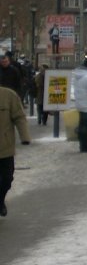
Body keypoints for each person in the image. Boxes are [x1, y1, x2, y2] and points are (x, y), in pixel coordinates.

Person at [0, 84, 31, 217]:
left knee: (7, 178)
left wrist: (25, 137)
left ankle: (0, 200)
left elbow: (19, 117)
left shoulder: (8, 95)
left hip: (4, 147)